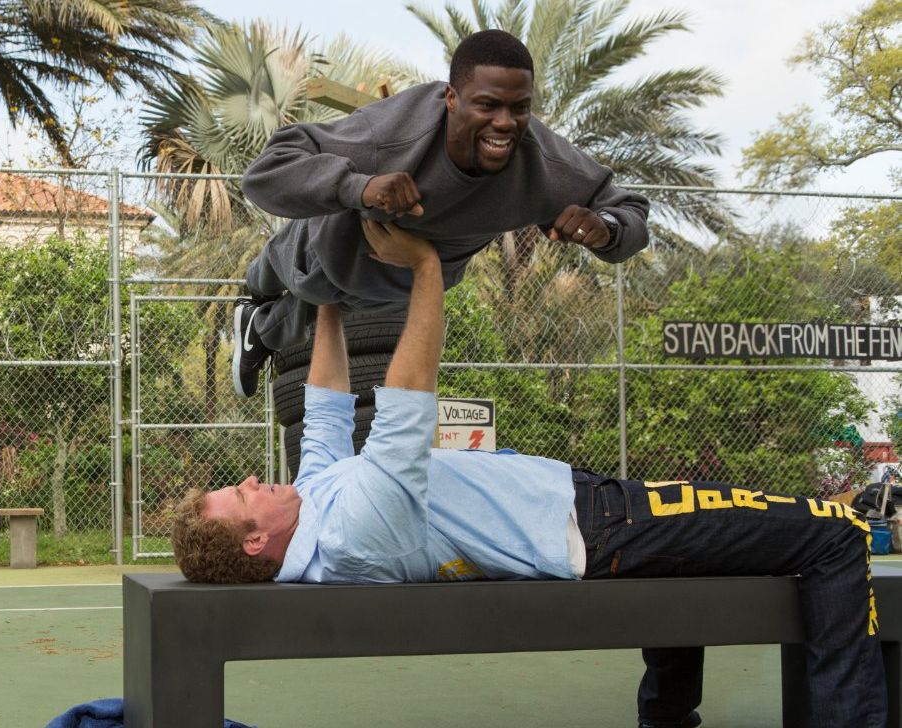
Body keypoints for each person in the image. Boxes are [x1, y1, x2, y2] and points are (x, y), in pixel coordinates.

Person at [173, 221, 887, 728]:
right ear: (254, 544)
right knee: (834, 531)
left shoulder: (314, 504)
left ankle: (668, 719)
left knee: (692, 561)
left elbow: (327, 409)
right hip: (598, 530)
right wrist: (425, 269)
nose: (253, 482)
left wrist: (325, 289)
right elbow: (406, 408)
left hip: (591, 509)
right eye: (242, 498)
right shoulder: (353, 535)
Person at [231, 28, 651, 398]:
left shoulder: (544, 168)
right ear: (451, 99)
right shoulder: (391, 135)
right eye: (487, 105)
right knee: (294, 274)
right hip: (330, 248)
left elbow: (628, 209)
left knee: (330, 302)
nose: (505, 123)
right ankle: (252, 295)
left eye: (519, 108)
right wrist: (362, 187)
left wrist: (606, 230)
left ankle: (258, 328)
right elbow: (266, 173)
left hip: (404, 283)